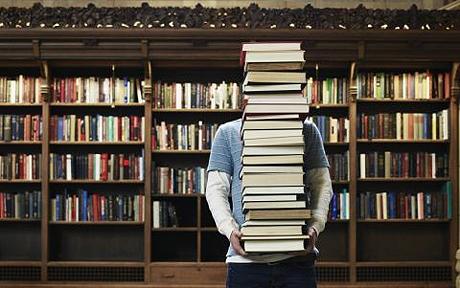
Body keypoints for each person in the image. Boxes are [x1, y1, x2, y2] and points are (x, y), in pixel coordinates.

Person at [205, 107, 333, 288]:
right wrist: (230, 229)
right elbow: (215, 190)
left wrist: (315, 226)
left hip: (297, 260)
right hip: (245, 262)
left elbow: (322, 184)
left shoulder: (308, 130)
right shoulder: (228, 132)